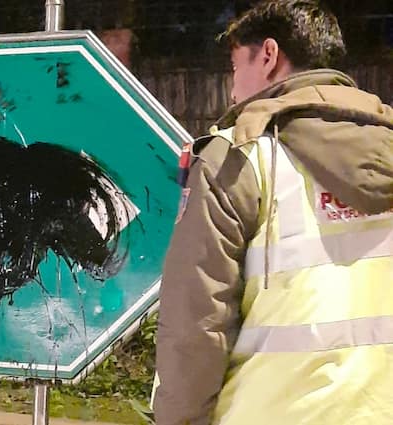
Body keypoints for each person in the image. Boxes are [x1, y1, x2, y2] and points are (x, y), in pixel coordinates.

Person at [152, 0, 393, 424]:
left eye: (234, 68)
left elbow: (196, 323)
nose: (232, 91)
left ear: (268, 55)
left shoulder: (238, 158)